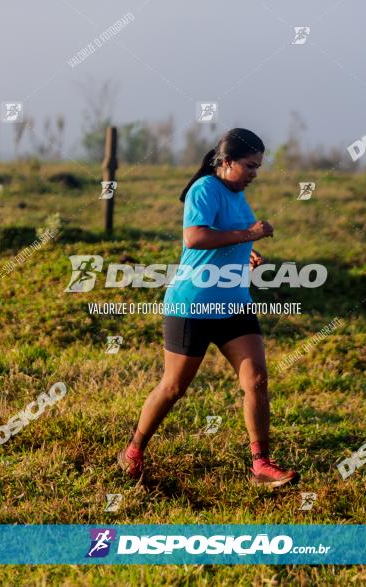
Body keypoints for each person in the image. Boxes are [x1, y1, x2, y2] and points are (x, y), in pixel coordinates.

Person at [117, 128, 299, 489]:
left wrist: (245, 254)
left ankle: (261, 464)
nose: (253, 174)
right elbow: (195, 237)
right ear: (227, 161)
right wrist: (250, 235)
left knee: (257, 380)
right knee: (173, 388)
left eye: (258, 168)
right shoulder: (204, 189)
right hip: (193, 305)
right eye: (249, 166)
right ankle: (134, 450)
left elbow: (226, 235)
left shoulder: (237, 196)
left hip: (234, 304)